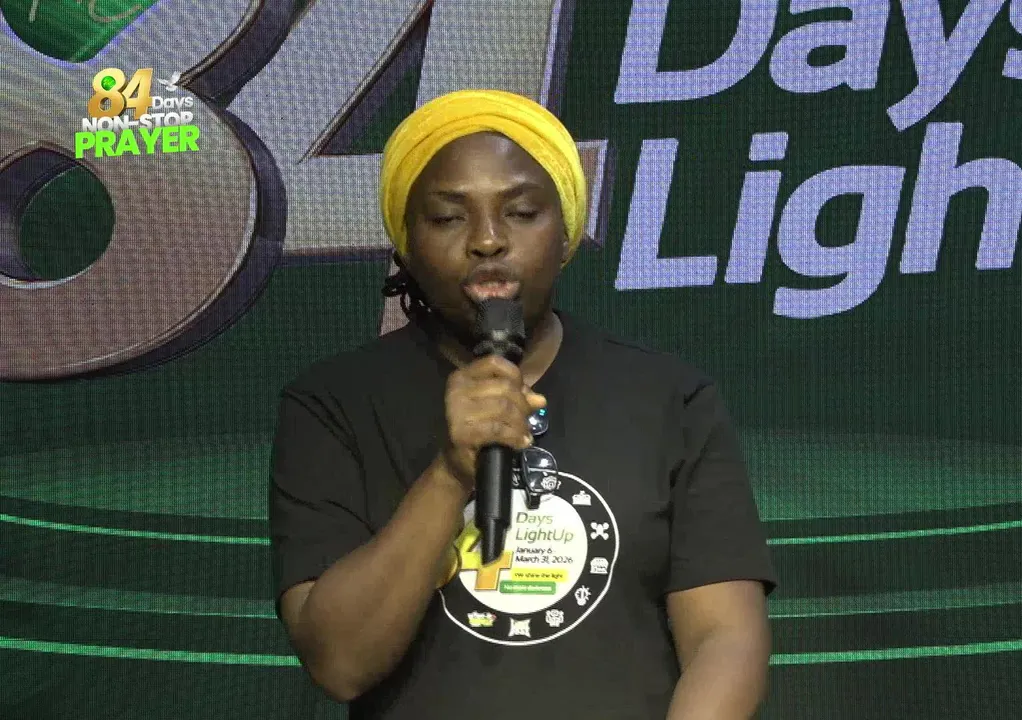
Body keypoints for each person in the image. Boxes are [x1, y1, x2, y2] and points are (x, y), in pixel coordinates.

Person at [268, 89, 777, 720]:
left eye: (522, 212)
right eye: (447, 217)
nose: (487, 240)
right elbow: (340, 663)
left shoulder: (670, 398)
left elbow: (725, 637)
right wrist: (448, 475)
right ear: (406, 244)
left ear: (566, 233)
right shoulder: (332, 405)